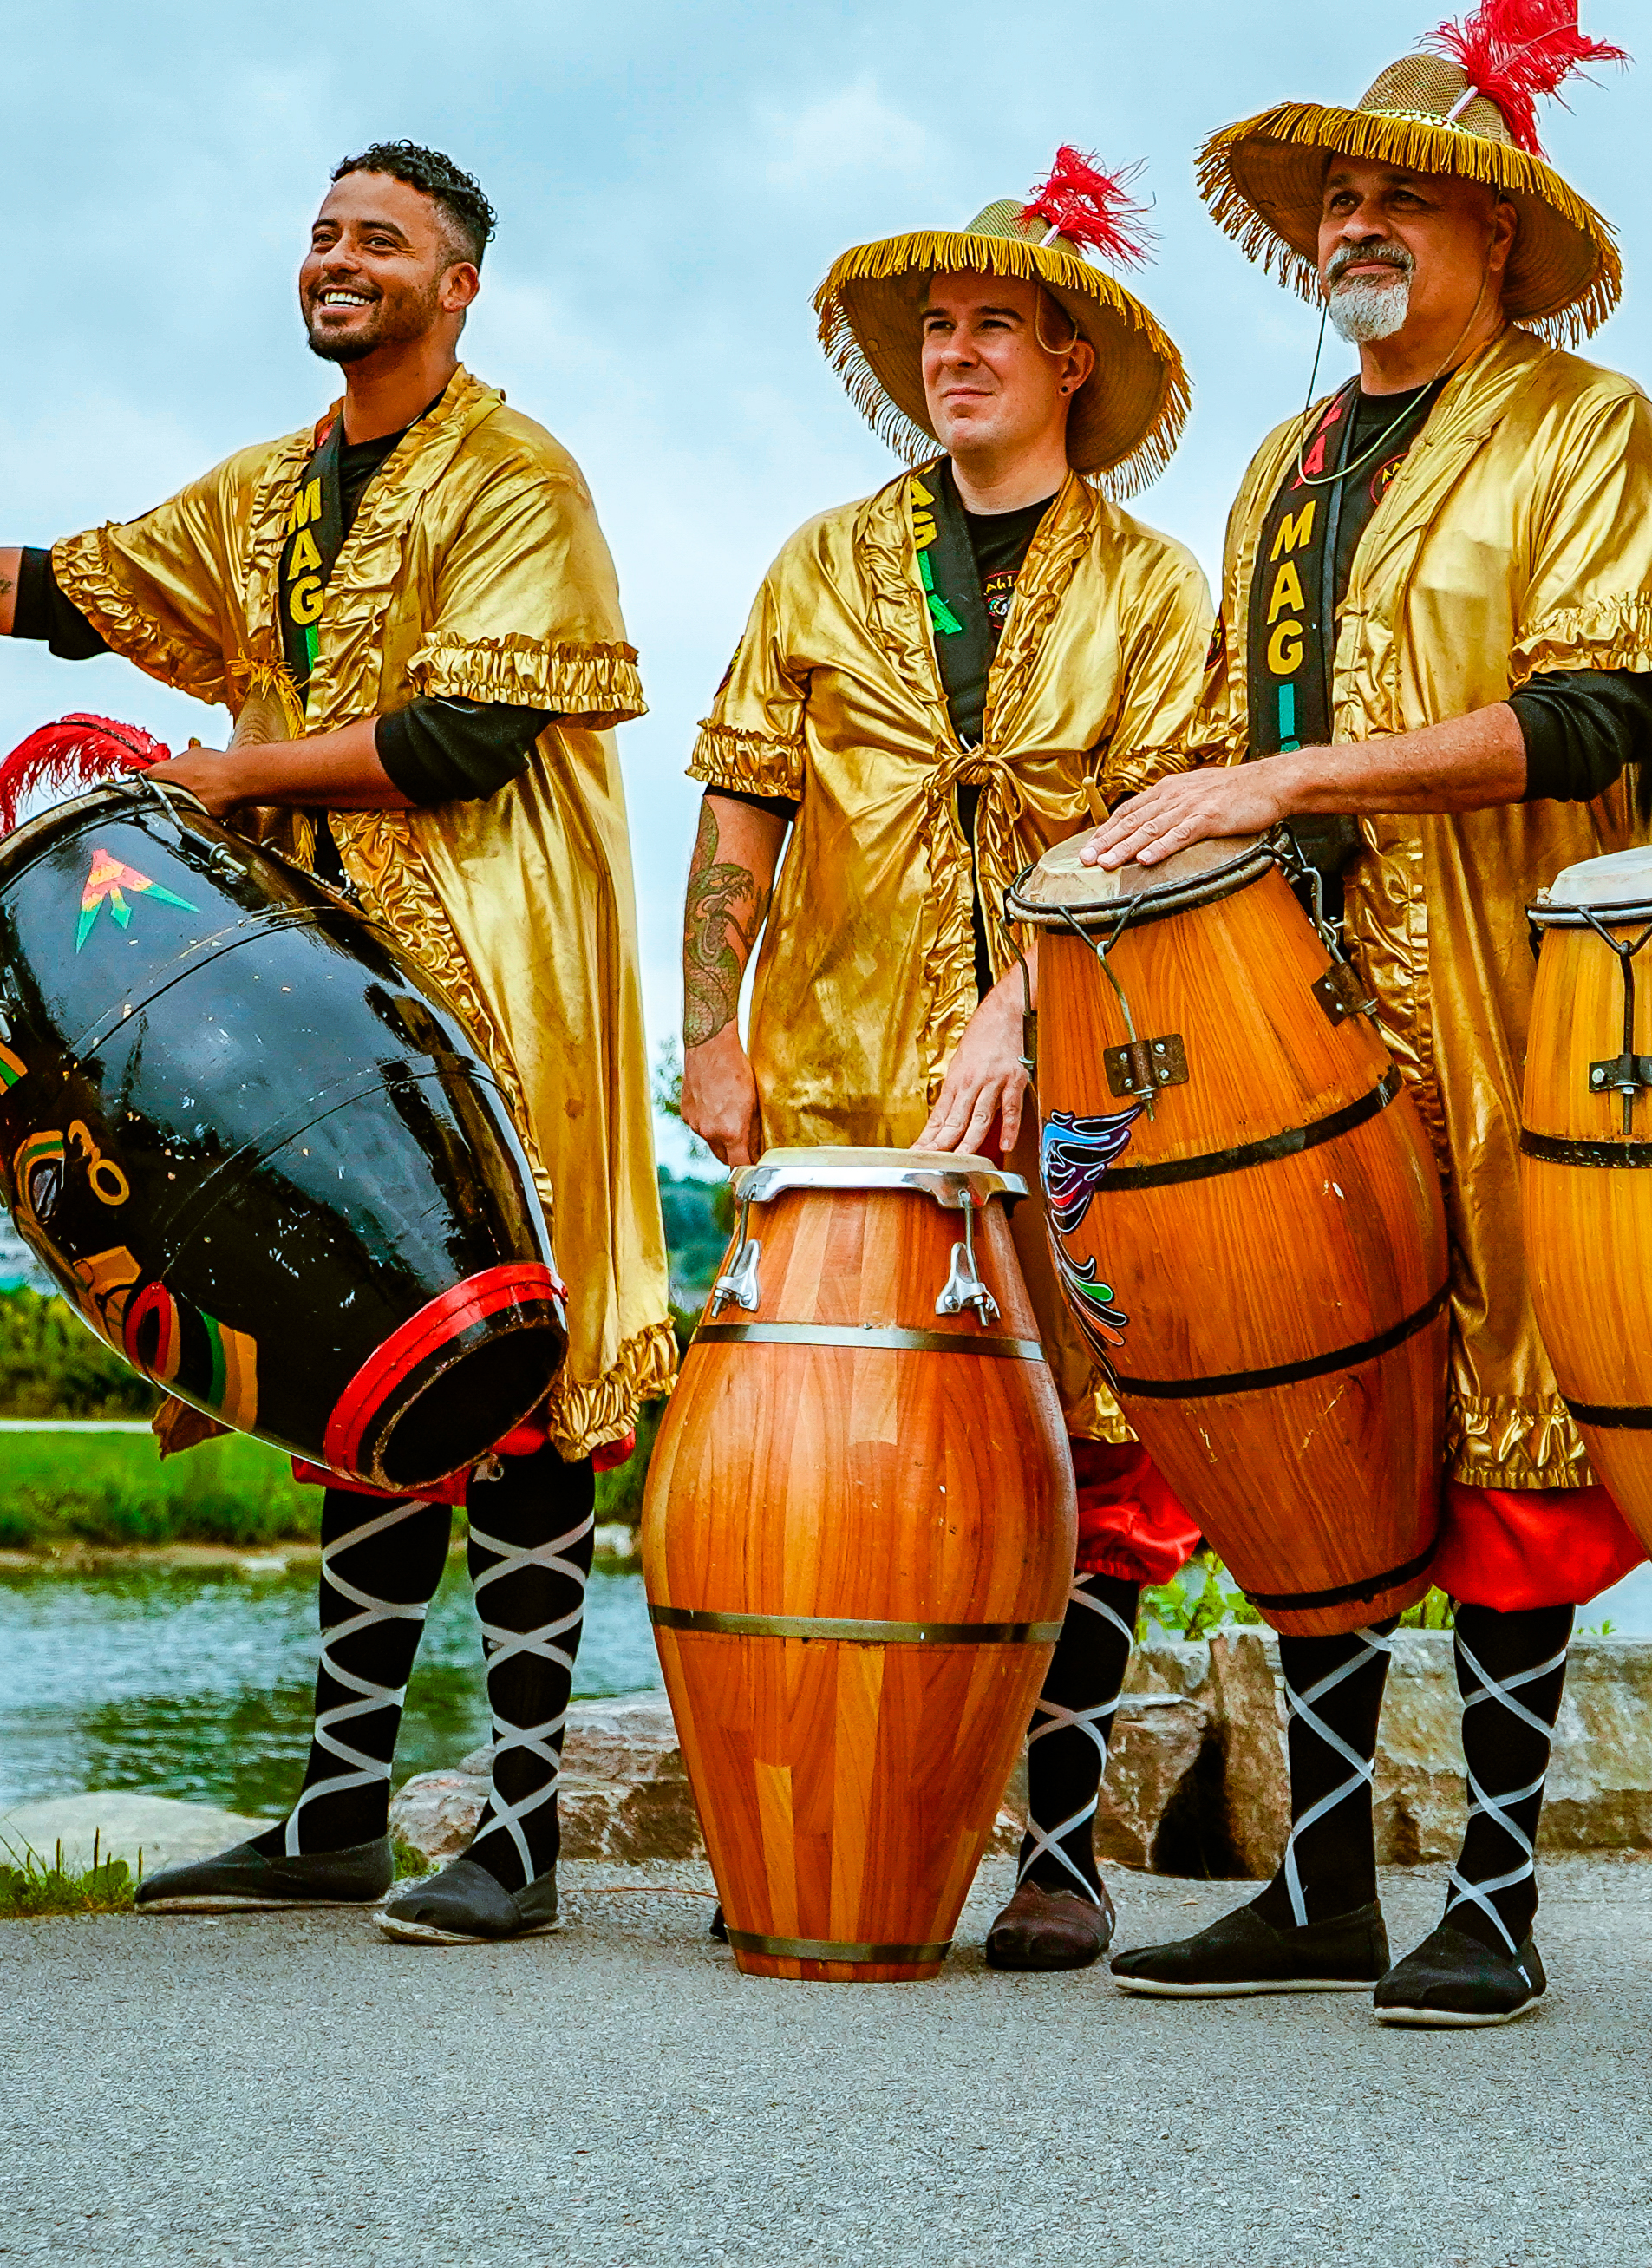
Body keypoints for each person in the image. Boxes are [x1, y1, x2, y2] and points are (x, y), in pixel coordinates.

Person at [0, 143, 667, 1950]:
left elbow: (475, 728)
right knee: (351, 1363)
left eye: (383, 239)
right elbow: (70, 587)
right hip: (305, 985)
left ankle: (519, 1826)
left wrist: (236, 770)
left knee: (518, 1381)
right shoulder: (265, 491)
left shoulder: (519, 473)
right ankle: (339, 1812)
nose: (340, 258)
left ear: (458, 284)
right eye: (324, 232)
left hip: (491, 979)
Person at [1082, 0, 1652, 2029]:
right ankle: (1325, 1871)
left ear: (1494, 228)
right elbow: (1207, 736)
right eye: (1338, 190)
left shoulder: (1586, 424)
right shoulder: (1278, 460)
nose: (1359, 218)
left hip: (1512, 979)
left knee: (1513, 1433)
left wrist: (1297, 777)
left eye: (1405, 193)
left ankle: (1498, 1896)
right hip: (1289, 1000)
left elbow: (1607, 706)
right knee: (1313, 1414)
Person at [680, 147, 1224, 1972]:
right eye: (934, 325)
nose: (958, 350)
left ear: (1070, 361)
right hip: (843, 1070)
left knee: (1086, 1448)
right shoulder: (821, 562)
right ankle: (822, 1802)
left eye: (997, 321)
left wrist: (1036, 997)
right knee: (834, 1441)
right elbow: (743, 798)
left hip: (1080, 1075)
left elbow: (1159, 822)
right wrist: (707, 1024)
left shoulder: (1154, 586)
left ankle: (1057, 1840)